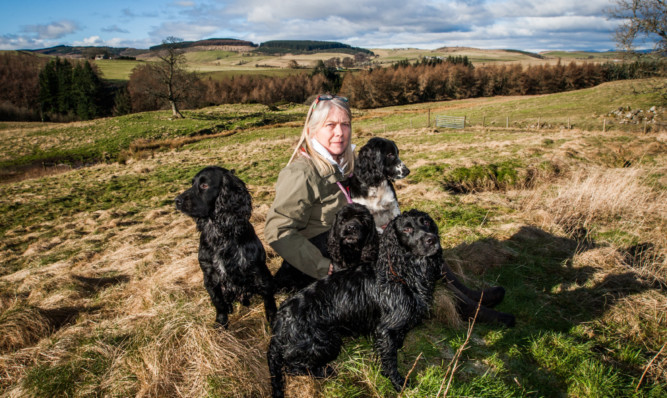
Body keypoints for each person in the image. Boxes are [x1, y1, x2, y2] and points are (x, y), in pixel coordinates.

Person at [264, 95, 354, 290]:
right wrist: (322, 267)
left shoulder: (348, 165)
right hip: (320, 266)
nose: (339, 132)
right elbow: (277, 229)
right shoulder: (301, 173)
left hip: (347, 251)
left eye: (345, 124)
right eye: (330, 125)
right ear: (311, 130)